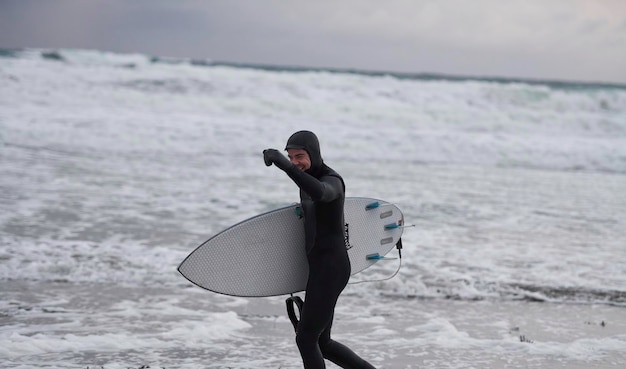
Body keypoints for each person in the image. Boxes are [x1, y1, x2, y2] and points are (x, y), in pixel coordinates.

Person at [263, 131, 376, 369]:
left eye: (300, 156)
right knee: (322, 343)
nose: (295, 162)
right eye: (290, 157)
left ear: (314, 154)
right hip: (319, 266)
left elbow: (322, 193)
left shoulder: (331, 180)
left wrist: (285, 167)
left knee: (306, 338)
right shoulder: (306, 180)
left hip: (331, 268)